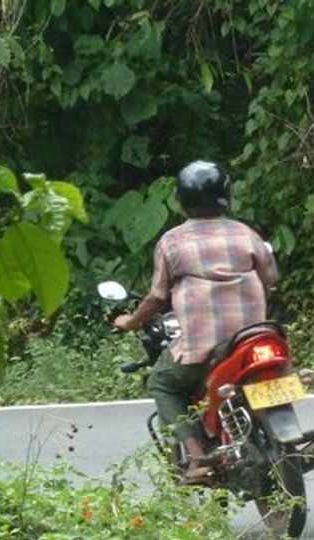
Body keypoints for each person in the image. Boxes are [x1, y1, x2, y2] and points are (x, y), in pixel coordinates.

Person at [114, 160, 278, 483]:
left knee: (161, 382)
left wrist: (131, 321)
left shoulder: (173, 243)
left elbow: (157, 298)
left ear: (182, 199)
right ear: (226, 195)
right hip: (253, 339)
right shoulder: (246, 234)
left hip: (207, 347)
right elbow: (270, 278)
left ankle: (196, 458)